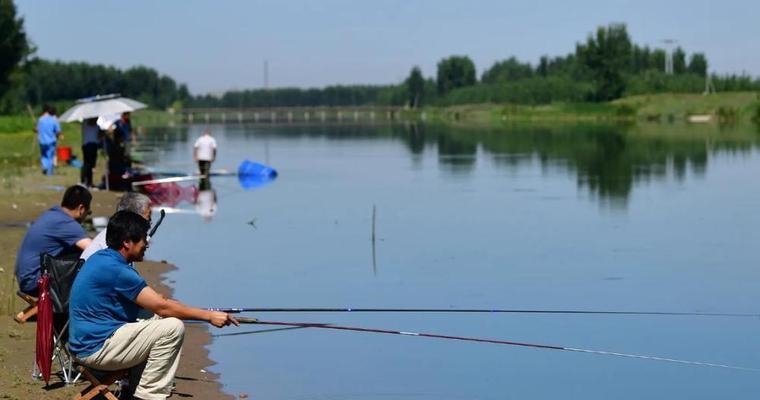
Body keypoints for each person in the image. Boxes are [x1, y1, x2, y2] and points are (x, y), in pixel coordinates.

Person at [69, 211, 238, 400]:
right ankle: (147, 396)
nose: (147, 244)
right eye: (143, 239)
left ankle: (135, 387)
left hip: (87, 342)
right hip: (94, 348)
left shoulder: (104, 258)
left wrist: (201, 312)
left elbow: (158, 304)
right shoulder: (116, 269)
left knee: (159, 318)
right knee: (172, 328)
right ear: (127, 242)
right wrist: (208, 316)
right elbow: (162, 306)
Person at [15, 185, 93, 296]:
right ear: (81, 209)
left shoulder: (53, 214)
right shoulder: (66, 223)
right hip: (35, 282)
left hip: (27, 278)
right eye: (88, 212)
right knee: (87, 259)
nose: (86, 216)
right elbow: (94, 250)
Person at [80, 192, 151, 261]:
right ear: (133, 217)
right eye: (148, 217)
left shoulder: (116, 233)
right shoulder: (115, 245)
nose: (150, 222)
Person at [37, 104, 62, 176]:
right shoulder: (54, 120)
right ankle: (49, 172)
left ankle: (45, 166)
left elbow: (37, 129)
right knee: (50, 156)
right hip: (51, 140)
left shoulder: (41, 119)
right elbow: (58, 131)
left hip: (42, 140)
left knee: (44, 155)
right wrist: (58, 135)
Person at [81, 118, 101, 187]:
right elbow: (90, 122)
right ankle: (84, 181)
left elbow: (99, 136)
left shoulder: (97, 126)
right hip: (87, 145)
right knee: (87, 164)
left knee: (91, 165)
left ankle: (89, 181)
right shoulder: (85, 123)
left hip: (94, 146)